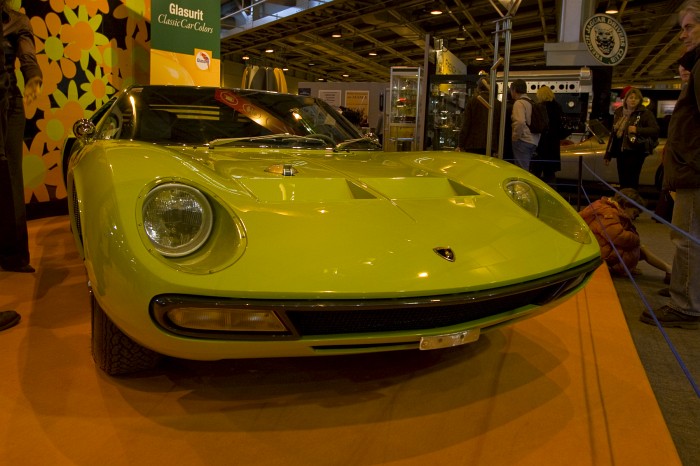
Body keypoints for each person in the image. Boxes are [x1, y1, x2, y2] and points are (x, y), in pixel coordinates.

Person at [641, 0, 700, 329]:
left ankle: (687, 305)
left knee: (687, 237)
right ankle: (685, 291)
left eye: (689, 27)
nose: (683, 36)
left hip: (695, 172)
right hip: (691, 169)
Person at [0, 1, 42, 273]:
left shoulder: (16, 20)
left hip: (10, 103)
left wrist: (33, 78)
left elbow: (27, 57)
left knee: (12, 175)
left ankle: (14, 255)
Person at [580, 188, 672, 280]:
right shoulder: (608, 213)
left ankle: (668, 268)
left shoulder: (607, 208)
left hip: (598, 248)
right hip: (599, 254)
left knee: (640, 249)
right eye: (634, 212)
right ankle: (668, 268)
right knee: (639, 249)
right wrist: (636, 239)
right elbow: (617, 236)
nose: (634, 217)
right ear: (626, 205)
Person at [603, 87, 659, 190]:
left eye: (636, 98)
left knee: (632, 181)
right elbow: (613, 134)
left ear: (640, 100)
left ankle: (631, 202)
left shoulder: (645, 113)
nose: (633, 100)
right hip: (621, 151)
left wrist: (637, 130)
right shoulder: (619, 112)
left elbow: (655, 130)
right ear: (626, 99)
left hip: (635, 151)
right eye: (631, 97)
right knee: (623, 180)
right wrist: (608, 154)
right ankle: (623, 202)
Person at [530, 85, 567, 185]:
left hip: (541, 144)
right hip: (553, 146)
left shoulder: (539, 107)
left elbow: (536, 126)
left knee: (535, 174)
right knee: (550, 174)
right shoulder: (558, 107)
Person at [456, 77, 500, 155]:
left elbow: (466, 124)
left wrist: (460, 144)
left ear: (478, 88)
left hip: (473, 143)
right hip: (491, 144)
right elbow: (499, 126)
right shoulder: (497, 103)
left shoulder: (472, 101)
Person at [509, 79, 540, 170]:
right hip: (533, 140)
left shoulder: (519, 103)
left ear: (514, 90)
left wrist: (515, 137)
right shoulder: (531, 101)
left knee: (521, 170)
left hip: (523, 140)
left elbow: (520, 122)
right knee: (526, 168)